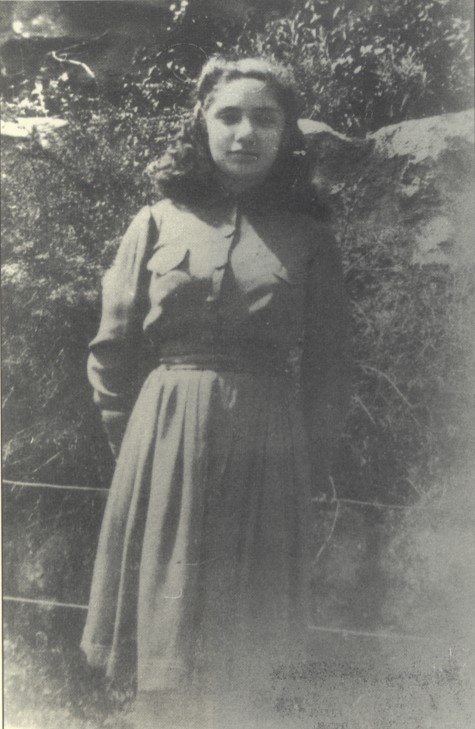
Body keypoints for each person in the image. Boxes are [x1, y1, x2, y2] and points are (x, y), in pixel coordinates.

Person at [81, 55, 351, 728]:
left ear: (286, 132)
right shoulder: (154, 221)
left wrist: (302, 464)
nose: (245, 133)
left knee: (246, 659)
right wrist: (138, 447)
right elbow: (111, 350)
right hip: (160, 442)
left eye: (265, 118)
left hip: (269, 452)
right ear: (201, 122)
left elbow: (329, 369)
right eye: (228, 115)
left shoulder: (310, 237)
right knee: (162, 644)